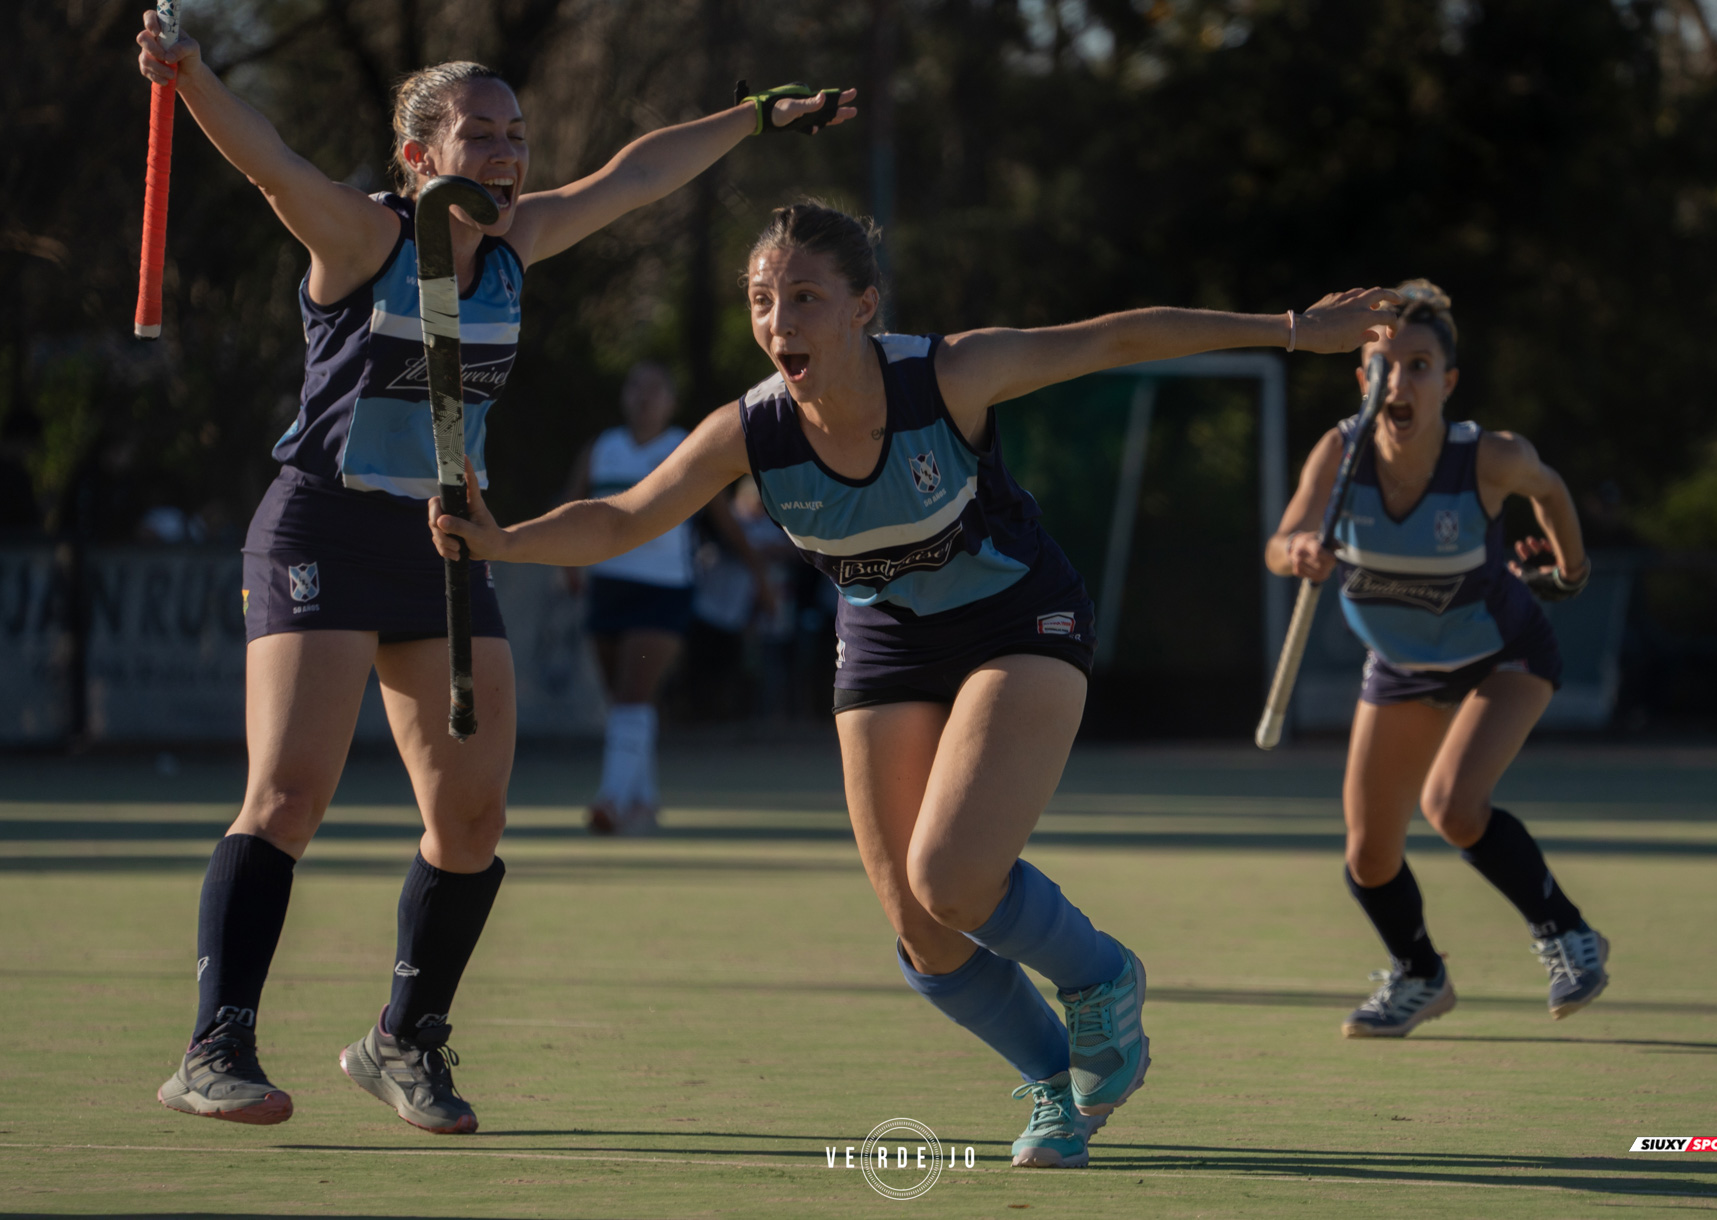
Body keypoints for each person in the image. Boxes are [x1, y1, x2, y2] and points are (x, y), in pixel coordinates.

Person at [429, 200, 1397, 1166]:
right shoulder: (751, 430)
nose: (780, 322)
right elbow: (623, 517)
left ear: (864, 306)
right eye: (764, 300)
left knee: (953, 878)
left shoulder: (949, 374)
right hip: (886, 639)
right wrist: (504, 540)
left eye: (805, 297)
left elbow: (1115, 336)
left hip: (1017, 618)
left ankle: (1104, 977)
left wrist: (1292, 330)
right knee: (916, 921)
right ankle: (1057, 1082)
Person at [136, 12, 854, 1133]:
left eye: (517, 134)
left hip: (442, 540)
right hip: (322, 526)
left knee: (470, 821)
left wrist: (760, 116)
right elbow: (269, 160)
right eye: (481, 134)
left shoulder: (519, 249)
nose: (510, 155)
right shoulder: (361, 236)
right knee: (287, 795)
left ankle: (402, 1039)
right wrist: (191, 77)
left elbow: (642, 171)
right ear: (421, 156)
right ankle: (214, 1043)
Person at [1265, 281, 1609, 1039]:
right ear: (1363, 380)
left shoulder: (1487, 458)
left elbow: (1549, 490)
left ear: (1446, 382)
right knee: (1368, 852)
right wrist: (1299, 551)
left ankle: (1567, 932)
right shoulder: (1338, 455)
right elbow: (1278, 542)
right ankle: (1421, 974)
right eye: (1383, 365)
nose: (1400, 381)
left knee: (1453, 807)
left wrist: (1570, 570)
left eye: (1419, 365)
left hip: (1503, 655)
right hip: (1399, 668)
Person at [565, 361, 767, 835]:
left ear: (671, 401)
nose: (644, 398)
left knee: (633, 696)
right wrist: (566, 562)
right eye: (636, 387)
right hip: (608, 586)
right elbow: (570, 507)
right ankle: (645, 801)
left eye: (655, 390)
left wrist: (760, 576)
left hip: (663, 590)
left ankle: (611, 802)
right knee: (624, 700)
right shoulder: (601, 449)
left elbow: (723, 521)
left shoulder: (683, 446)